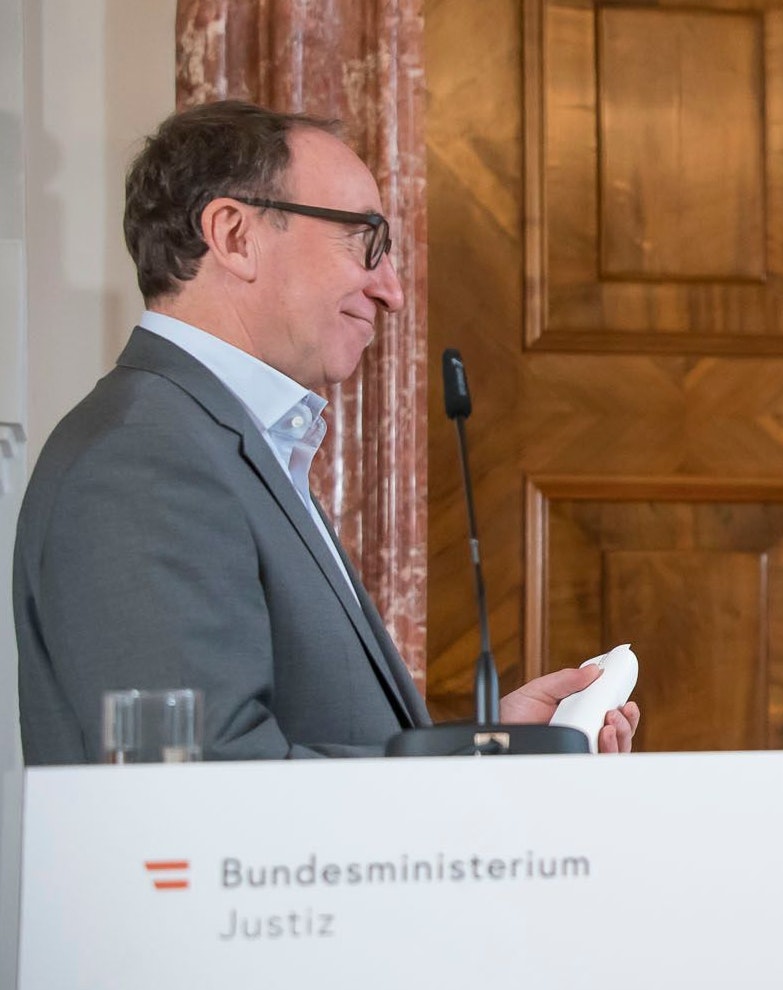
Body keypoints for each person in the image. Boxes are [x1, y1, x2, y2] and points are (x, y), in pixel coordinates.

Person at [13, 101, 639, 762]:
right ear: (234, 235)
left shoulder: (220, 438)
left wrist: (492, 751)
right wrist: (463, 771)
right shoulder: (144, 458)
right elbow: (208, 783)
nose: (392, 290)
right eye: (366, 241)